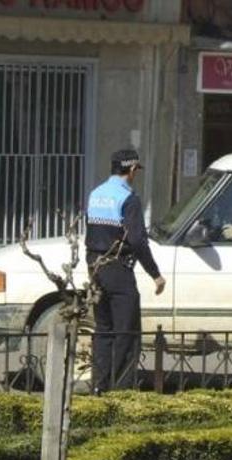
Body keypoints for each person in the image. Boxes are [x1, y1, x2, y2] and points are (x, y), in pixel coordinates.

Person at [85, 149, 166, 394]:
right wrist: (155, 274)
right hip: (118, 268)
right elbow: (138, 240)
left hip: (95, 266)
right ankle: (119, 389)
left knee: (103, 329)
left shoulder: (96, 193)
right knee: (126, 331)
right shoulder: (128, 198)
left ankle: (99, 384)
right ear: (131, 170)